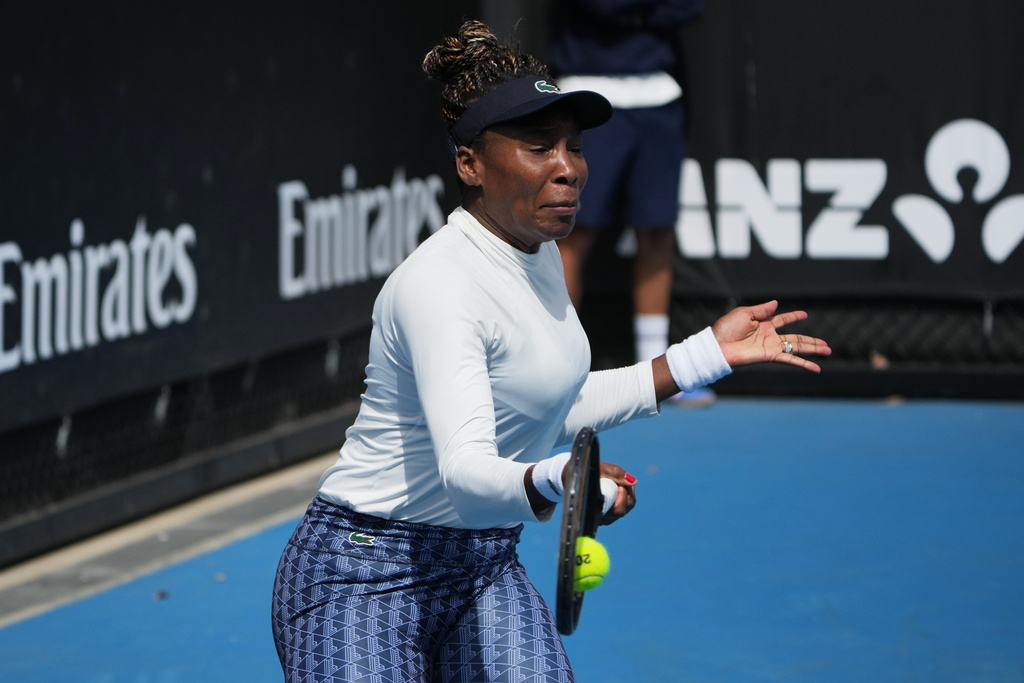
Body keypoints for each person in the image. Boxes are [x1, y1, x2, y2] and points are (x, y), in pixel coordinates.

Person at [271, 20, 830, 683]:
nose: (568, 168)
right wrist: (559, 477)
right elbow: (468, 476)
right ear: (469, 163)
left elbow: (552, 396)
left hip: (483, 567)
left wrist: (705, 354)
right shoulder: (440, 287)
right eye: (539, 148)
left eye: (573, 147)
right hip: (364, 574)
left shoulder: (539, 251)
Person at [549, 0, 713, 406]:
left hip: (660, 95)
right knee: (573, 233)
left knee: (657, 232)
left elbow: (690, 7)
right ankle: (557, 373)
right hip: (587, 91)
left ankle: (656, 373)